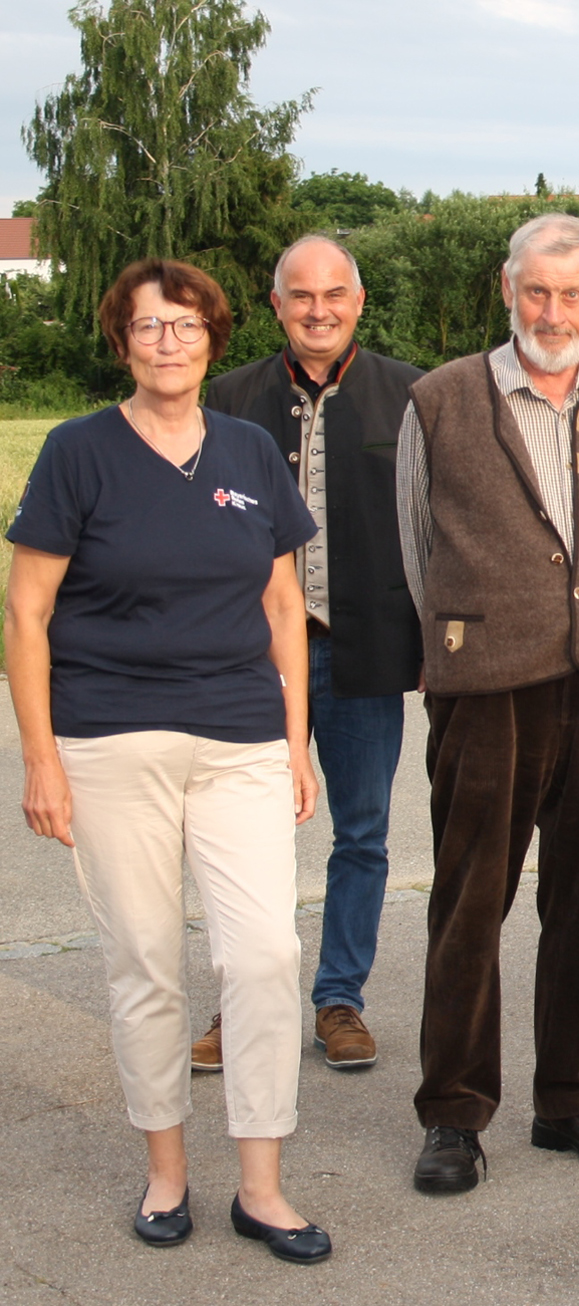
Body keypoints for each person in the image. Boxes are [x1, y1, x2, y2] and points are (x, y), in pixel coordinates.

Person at [4, 259, 332, 1262]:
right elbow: (27, 611)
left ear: (212, 336)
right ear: (122, 340)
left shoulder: (248, 450)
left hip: (239, 736)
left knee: (265, 954)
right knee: (145, 959)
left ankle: (263, 1188)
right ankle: (167, 1173)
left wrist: (296, 739)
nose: (167, 341)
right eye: (148, 326)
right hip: (109, 743)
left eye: (184, 325)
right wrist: (41, 760)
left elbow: (284, 607)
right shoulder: (77, 453)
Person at [395, 213, 579, 1192]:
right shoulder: (439, 399)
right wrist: (470, 638)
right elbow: (414, 550)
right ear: (506, 291)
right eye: (535, 292)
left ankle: (575, 1100)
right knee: (472, 902)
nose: (552, 312)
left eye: (572, 293)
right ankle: (455, 1112)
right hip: (485, 685)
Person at [200, 234, 424, 1073]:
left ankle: (340, 1001)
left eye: (335, 294)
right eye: (302, 296)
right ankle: (241, 1003)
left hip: (366, 648)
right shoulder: (228, 398)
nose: (319, 310)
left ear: (358, 302)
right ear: (277, 305)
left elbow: (432, 528)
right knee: (242, 838)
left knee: (362, 832)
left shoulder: (411, 395)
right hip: (248, 660)